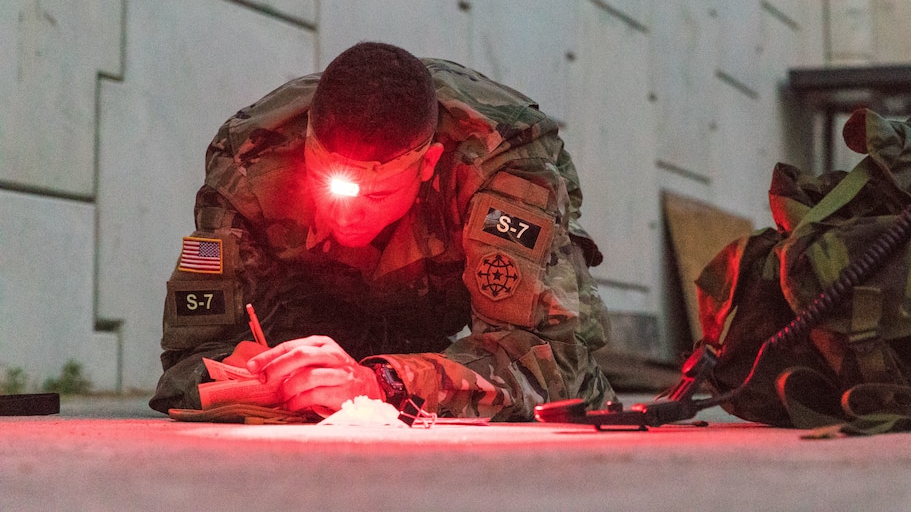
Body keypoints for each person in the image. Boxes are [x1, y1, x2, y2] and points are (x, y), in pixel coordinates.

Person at [149, 42, 615, 421]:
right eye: (328, 186)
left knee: (560, 395)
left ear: (427, 163)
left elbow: (553, 365)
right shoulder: (249, 163)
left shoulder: (503, 167)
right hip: (318, 299)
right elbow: (190, 361)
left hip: (452, 286)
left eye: (375, 196)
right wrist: (255, 374)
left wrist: (385, 383)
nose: (347, 216)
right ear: (306, 145)